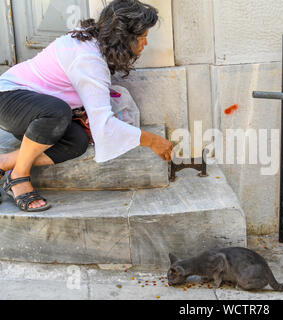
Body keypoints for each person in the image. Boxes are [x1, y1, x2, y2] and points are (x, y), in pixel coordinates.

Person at [0, 0, 173, 212]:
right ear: (123, 38)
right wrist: (152, 140)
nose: (145, 44)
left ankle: (4, 162)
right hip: (8, 98)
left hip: (34, 112)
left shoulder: (94, 42)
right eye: (142, 37)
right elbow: (104, 125)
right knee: (57, 112)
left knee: (77, 141)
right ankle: (19, 176)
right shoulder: (88, 58)